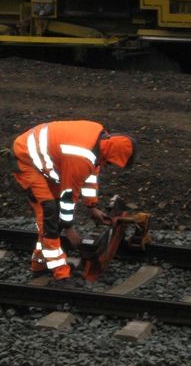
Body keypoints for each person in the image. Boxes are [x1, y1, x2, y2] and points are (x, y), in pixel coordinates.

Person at [8, 120, 136, 281]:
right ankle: (61, 274)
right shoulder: (80, 157)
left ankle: (39, 265)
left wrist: (92, 206)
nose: (108, 165)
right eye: (110, 162)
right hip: (25, 160)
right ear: (110, 153)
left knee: (52, 217)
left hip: (44, 161)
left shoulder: (99, 140)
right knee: (49, 214)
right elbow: (68, 195)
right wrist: (68, 229)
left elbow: (91, 174)